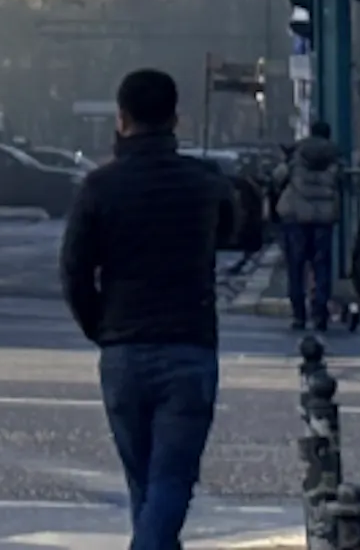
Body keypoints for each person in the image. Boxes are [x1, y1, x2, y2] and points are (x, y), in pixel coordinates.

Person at [61, 68, 234, 550]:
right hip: (189, 345)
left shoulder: (99, 187)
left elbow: (74, 271)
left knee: (144, 482)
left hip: (123, 350)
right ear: (176, 119)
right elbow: (240, 230)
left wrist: (100, 327)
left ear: (121, 119)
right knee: (171, 482)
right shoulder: (204, 183)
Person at [273, 119, 342, 331]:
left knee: (296, 266)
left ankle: (299, 315)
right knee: (322, 266)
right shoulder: (335, 156)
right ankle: (320, 313)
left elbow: (278, 177)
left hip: (296, 216)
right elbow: (342, 180)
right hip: (323, 219)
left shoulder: (297, 155)